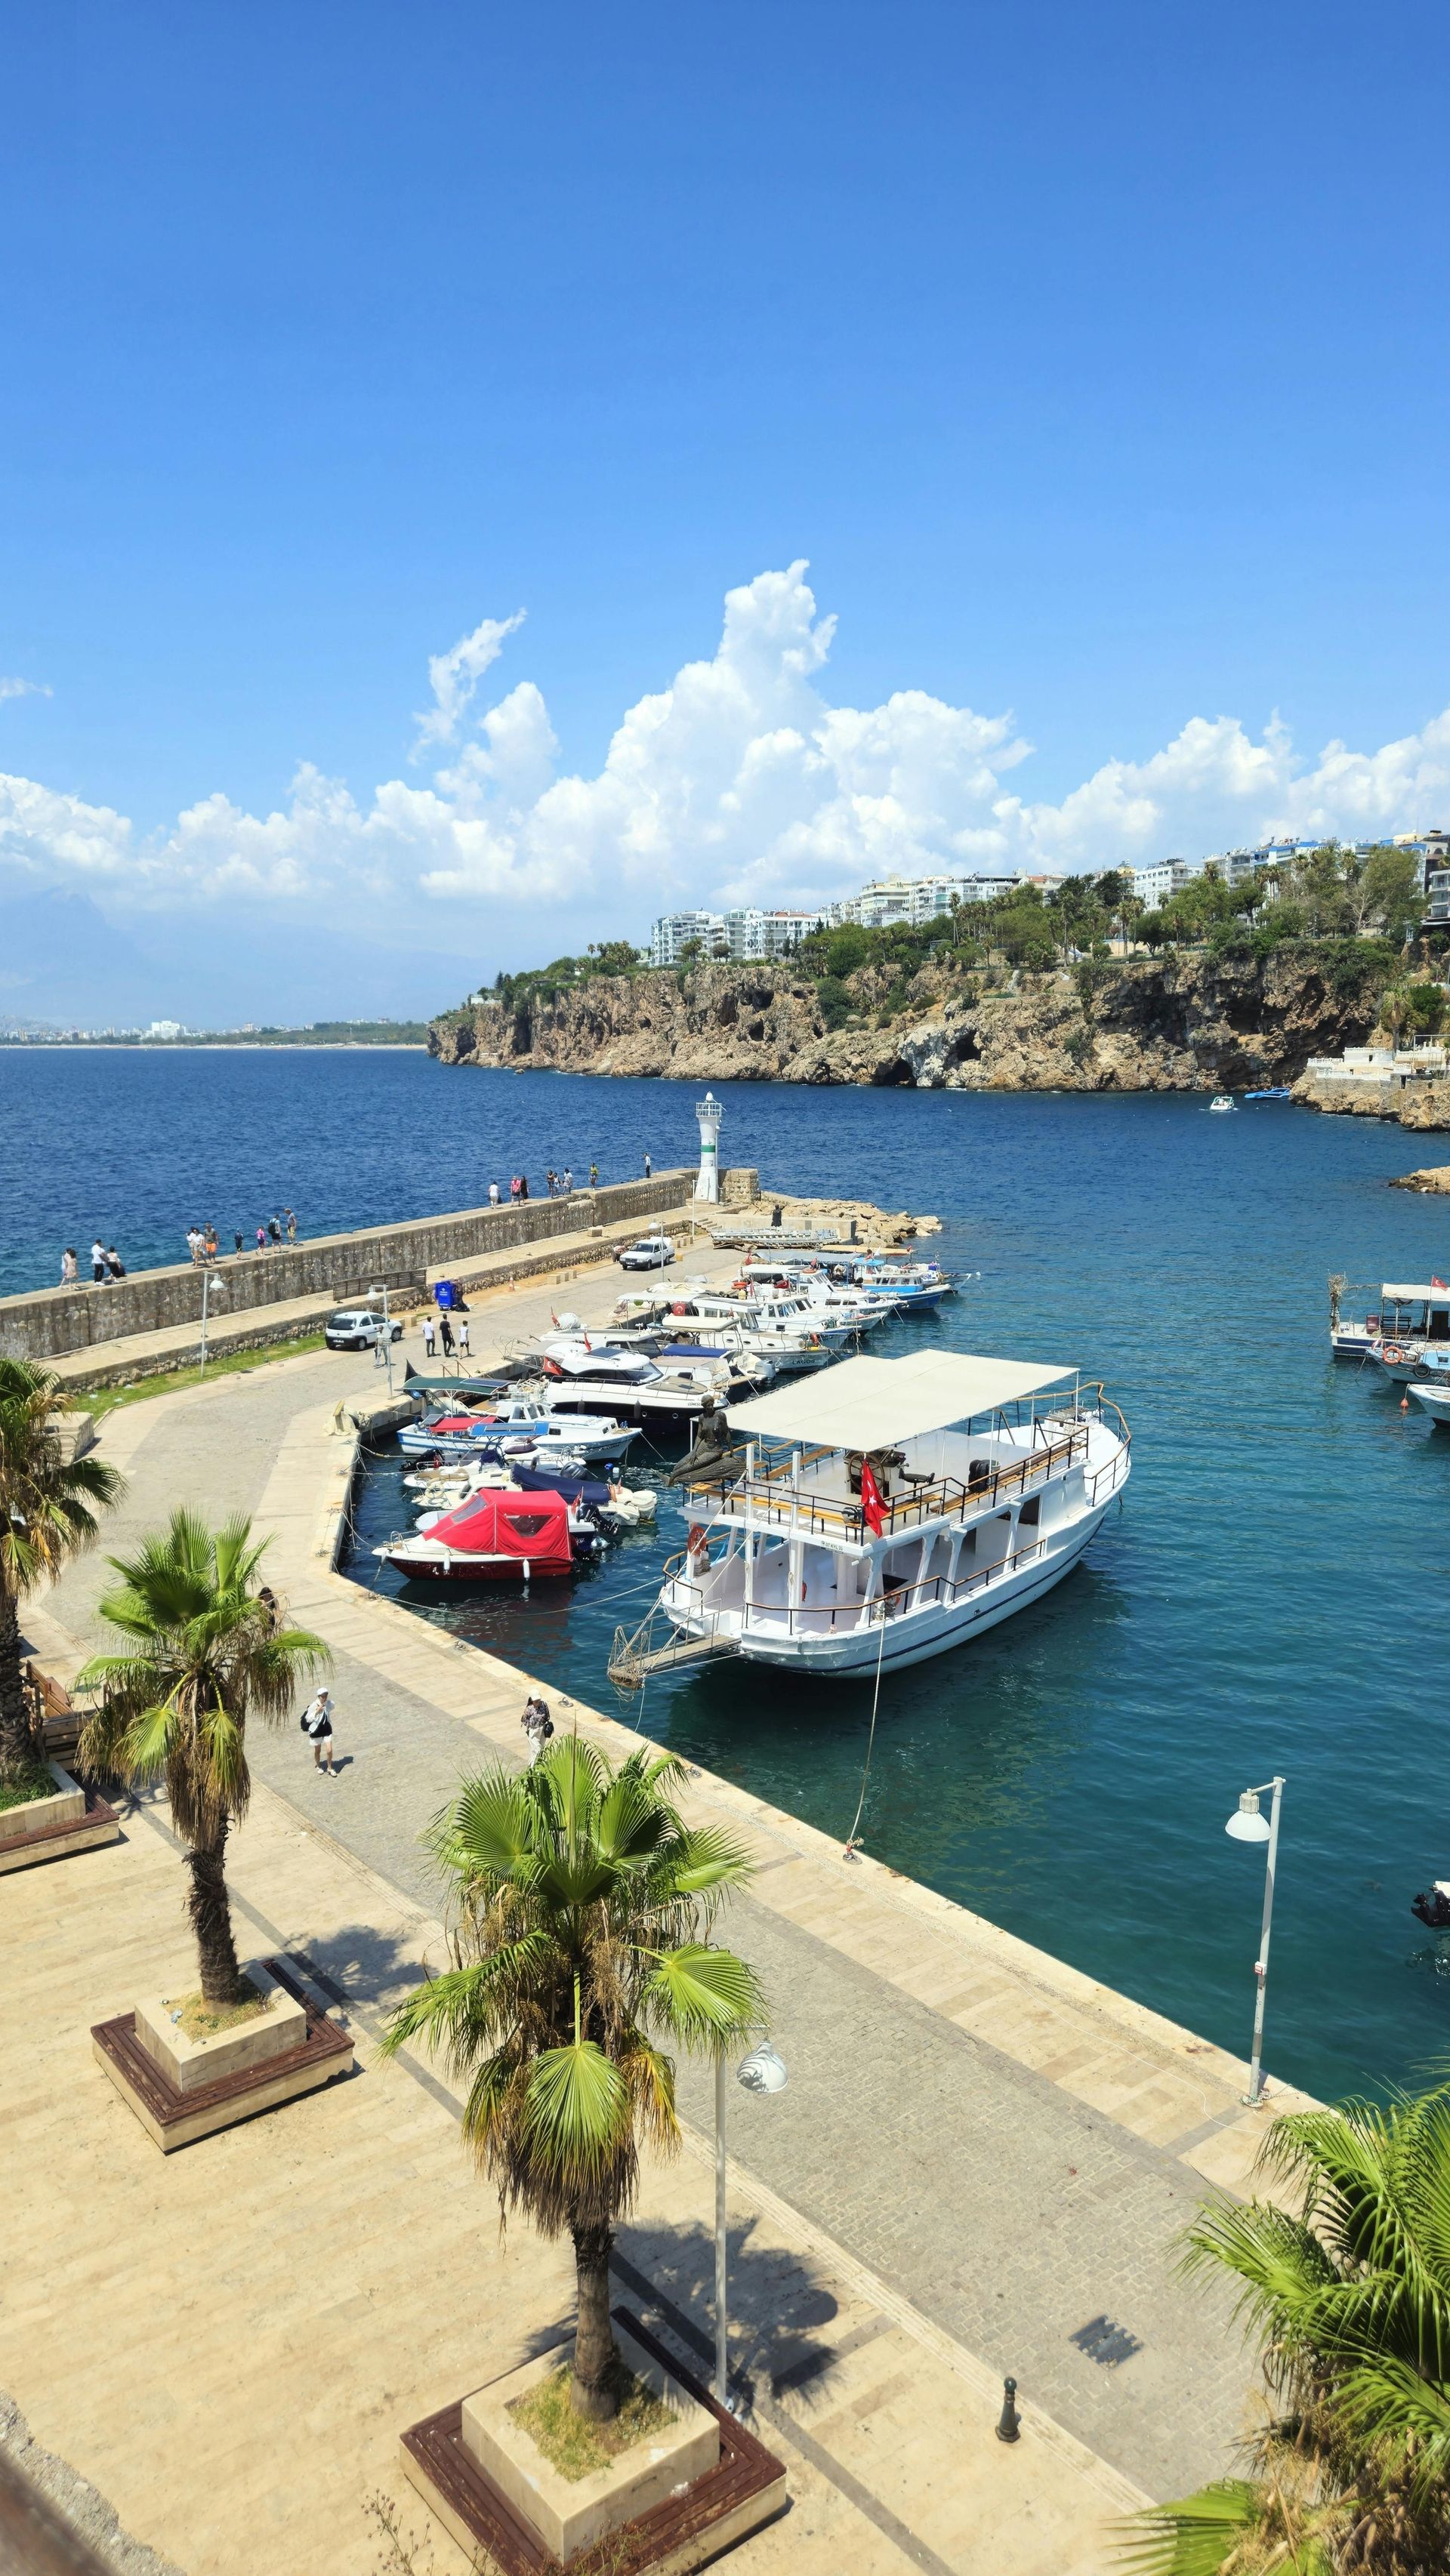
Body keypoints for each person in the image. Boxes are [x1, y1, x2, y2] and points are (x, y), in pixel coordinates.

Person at [299, 1686, 338, 1774]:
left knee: (329, 1750)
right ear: (318, 1696)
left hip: (327, 1728)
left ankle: (330, 1768)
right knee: (318, 1750)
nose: (324, 1698)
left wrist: (327, 1703)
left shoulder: (327, 1703)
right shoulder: (313, 1705)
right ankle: (319, 1766)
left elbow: (333, 1706)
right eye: (322, 1697)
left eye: (326, 1696)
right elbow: (308, 1719)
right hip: (317, 1730)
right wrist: (317, 1711)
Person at [520, 1693, 553, 1764]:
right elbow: (523, 1719)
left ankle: (533, 1765)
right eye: (536, 1701)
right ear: (532, 1701)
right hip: (533, 1730)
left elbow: (548, 1715)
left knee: (541, 1748)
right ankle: (535, 1766)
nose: (538, 1703)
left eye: (539, 1700)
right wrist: (531, 1725)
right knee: (537, 1749)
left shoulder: (544, 1704)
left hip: (543, 1729)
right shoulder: (529, 1709)